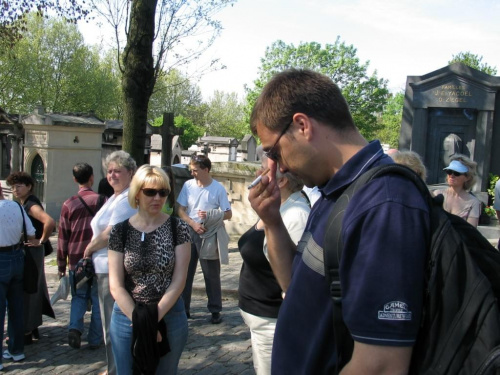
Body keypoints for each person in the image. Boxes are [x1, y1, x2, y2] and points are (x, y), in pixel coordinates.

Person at [248, 69, 430, 374]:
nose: (275, 167)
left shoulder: (384, 203)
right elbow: (295, 288)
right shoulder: (337, 190)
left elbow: (381, 364)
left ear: (302, 126)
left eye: (274, 151)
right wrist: (273, 223)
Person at [108, 165, 191, 375]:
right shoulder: (120, 231)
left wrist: (152, 320)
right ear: (137, 194)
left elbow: (179, 281)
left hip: (169, 314)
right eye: (150, 192)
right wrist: (142, 322)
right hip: (127, 315)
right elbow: (116, 285)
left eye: (163, 192)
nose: (157, 198)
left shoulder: (178, 228)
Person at [238, 155, 310, 375]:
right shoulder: (280, 206)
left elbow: (295, 278)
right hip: (262, 321)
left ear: (281, 181)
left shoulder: (296, 214)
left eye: (262, 170)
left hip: (272, 323)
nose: (256, 176)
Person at [83, 151, 137, 375]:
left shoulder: (126, 199)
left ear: (131, 173)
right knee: (110, 326)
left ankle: (117, 370)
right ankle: (114, 367)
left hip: (113, 269)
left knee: (113, 327)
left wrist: (88, 249)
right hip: (103, 267)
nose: (112, 175)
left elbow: (110, 233)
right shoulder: (114, 198)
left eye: (118, 171)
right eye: (109, 171)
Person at [178, 154, 232, 324]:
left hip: (209, 233)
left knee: (211, 274)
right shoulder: (188, 186)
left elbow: (228, 213)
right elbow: (180, 210)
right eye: (191, 170)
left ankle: (215, 310)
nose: (192, 173)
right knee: (185, 273)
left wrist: (210, 215)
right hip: (190, 231)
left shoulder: (218, 188)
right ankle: (183, 309)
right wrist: (193, 224)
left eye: (195, 170)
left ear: (206, 170)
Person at [57, 163, 104, 350]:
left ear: (75, 179)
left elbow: (63, 236)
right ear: (92, 178)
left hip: (76, 260)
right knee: (98, 297)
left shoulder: (68, 204)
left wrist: (61, 263)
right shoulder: (102, 200)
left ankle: (75, 328)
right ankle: (94, 339)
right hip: (98, 258)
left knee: (79, 296)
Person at [6, 171, 56, 345]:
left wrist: (41, 241)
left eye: (19, 186)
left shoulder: (31, 205)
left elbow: (49, 221)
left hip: (32, 252)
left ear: (29, 186)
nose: (15, 190)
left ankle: (27, 329)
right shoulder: (24, 203)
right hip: (30, 251)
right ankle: (31, 327)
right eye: (13, 187)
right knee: (33, 288)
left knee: (29, 290)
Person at [0, 182, 36, 369]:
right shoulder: (16, 206)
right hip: (17, 257)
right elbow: (31, 233)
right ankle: (16, 350)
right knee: (16, 307)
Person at [432, 155, 481, 227]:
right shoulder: (437, 194)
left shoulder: (473, 203)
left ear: (467, 178)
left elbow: (471, 231)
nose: (452, 175)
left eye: (457, 173)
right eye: (449, 171)